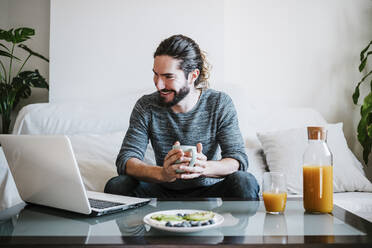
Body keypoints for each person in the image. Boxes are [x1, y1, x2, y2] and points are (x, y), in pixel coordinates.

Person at [104, 34, 259, 199]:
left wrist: (203, 168)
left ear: (192, 76)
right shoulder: (147, 106)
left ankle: (238, 225)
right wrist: (163, 173)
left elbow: (237, 160)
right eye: (156, 74)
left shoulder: (219, 103)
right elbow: (126, 160)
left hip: (209, 191)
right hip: (162, 189)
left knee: (245, 181)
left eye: (168, 76)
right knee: (117, 185)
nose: (158, 84)